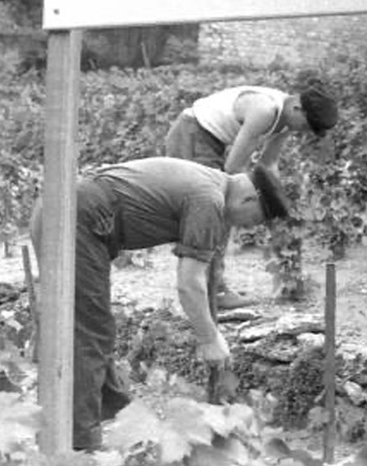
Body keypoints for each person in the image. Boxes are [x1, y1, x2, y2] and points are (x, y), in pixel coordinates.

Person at [30, 157, 290, 452]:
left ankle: (117, 415)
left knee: (85, 324)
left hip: (63, 207)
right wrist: (209, 339)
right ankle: (78, 443)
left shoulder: (210, 183)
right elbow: (189, 284)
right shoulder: (209, 202)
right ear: (249, 197)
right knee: (89, 328)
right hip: (75, 218)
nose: (245, 227)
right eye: (253, 219)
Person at [164, 83, 338, 307]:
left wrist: (279, 199)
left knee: (218, 212)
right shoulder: (264, 111)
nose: (303, 131)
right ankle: (207, 292)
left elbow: (268, 164)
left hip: (210, 140)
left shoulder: (285, 123)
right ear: (297, 107)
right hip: (191, 134)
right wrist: (254, 201)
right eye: (306, 125)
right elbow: (232, 170)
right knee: (211, 210)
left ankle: (212, 287)